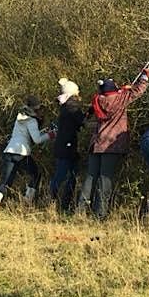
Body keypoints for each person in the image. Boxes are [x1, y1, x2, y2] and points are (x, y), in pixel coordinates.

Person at [75, 67, 149, 219]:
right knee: (105, 179)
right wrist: (145, 76)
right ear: (113, 89)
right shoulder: (120, 99)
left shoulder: (98, 100)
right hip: (111, 146)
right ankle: (100, 213)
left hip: (96, 144)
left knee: (90, 177)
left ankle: (80, 211)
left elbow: (114, 95)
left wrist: (122, 89)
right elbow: (138, 91)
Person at [0, 95, 54, 207]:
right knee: (35, 174)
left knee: (6, 181)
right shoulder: (32, 121)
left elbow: (26, 135)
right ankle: (27, 200)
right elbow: (37, 140)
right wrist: (50, 135)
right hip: (22, 153)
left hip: (9, 151)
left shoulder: (20, 118)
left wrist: (43, 131)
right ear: (35, 109)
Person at [48, 77, 86, 212]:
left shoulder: (65, 106)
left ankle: (57, 203)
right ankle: (59, 203)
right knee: (66, 175)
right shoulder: (73, 106)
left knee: (64, 175)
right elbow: (82, 122)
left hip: (62, 145)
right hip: (68, 147)